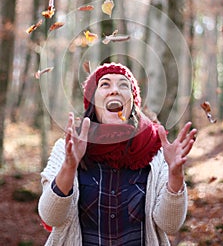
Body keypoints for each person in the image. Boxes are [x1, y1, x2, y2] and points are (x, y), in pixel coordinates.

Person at [38, 62, 197, 246]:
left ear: (133, 102)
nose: (115, 90)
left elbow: (170, 225)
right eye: (105, 84)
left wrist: (175, 176)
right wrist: (69, 166)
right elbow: (51, 217)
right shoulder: (67, 147)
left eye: (124, 85)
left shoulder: (156, 150)